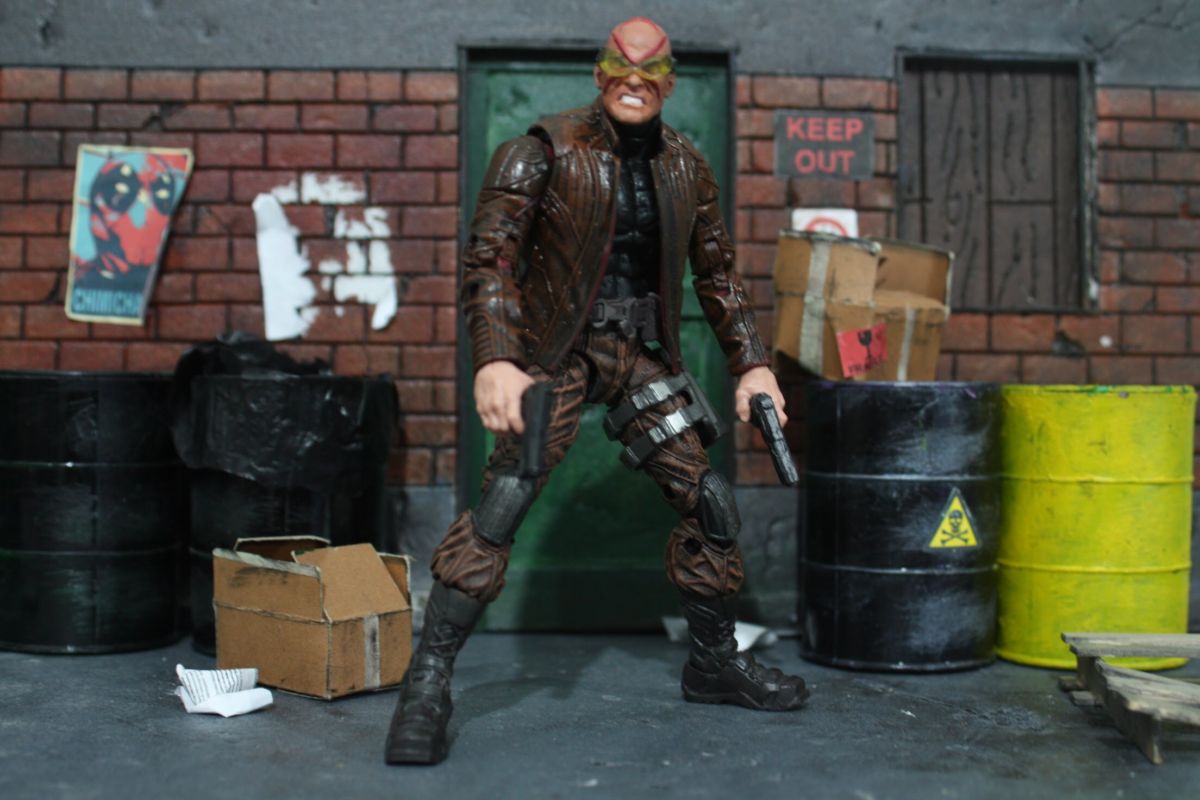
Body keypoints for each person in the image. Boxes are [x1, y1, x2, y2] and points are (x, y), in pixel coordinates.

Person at [385, 16, 808, 766]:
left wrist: (752, 364)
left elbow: (717, 274)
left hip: (638, 354)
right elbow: (490, 260)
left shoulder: (686, 167)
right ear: (600, 73)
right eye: (621, 67)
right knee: (503, 504)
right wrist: (497, 359)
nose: (634, 83)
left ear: (669, 82)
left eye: (650, 72)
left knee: (711, 501)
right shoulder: (541, 150)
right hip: (555, 353)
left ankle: (712, 663)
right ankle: (428, 681)